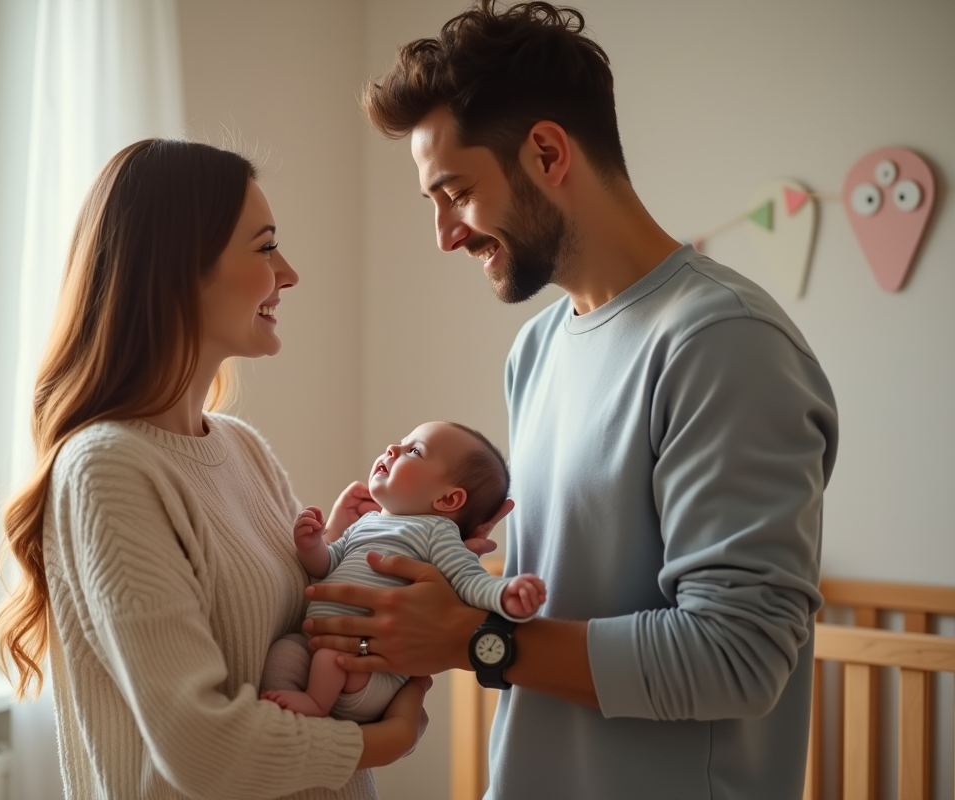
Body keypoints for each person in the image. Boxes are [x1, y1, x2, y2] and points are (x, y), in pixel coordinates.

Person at [304, 3, 839, 799]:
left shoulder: (724, 343)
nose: (445, 234)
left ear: (548, 152)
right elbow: (552, 608)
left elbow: (739, 658)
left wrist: (473, 639)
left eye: (455, 192)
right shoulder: (539, 348)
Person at [0, 138, 434, 800]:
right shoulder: (108, 468)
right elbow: (205, 750)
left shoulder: (240, 448)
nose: (288, 272)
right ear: (175, 270)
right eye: (264, 247)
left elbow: (310, 635)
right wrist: (385, 742)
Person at [261, 421, 546, 722]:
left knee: (333, 658)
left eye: (414, 451)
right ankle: (292, 718)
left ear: (448, 499)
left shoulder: (437, 533)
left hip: (368, 669)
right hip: (317, 648)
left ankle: (316, 703)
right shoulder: (366, 523)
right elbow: (326, 564)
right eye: (400, 442)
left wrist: (504, 593)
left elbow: (469, 579)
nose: (392, 449)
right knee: (284, 652)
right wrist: (311, 545)